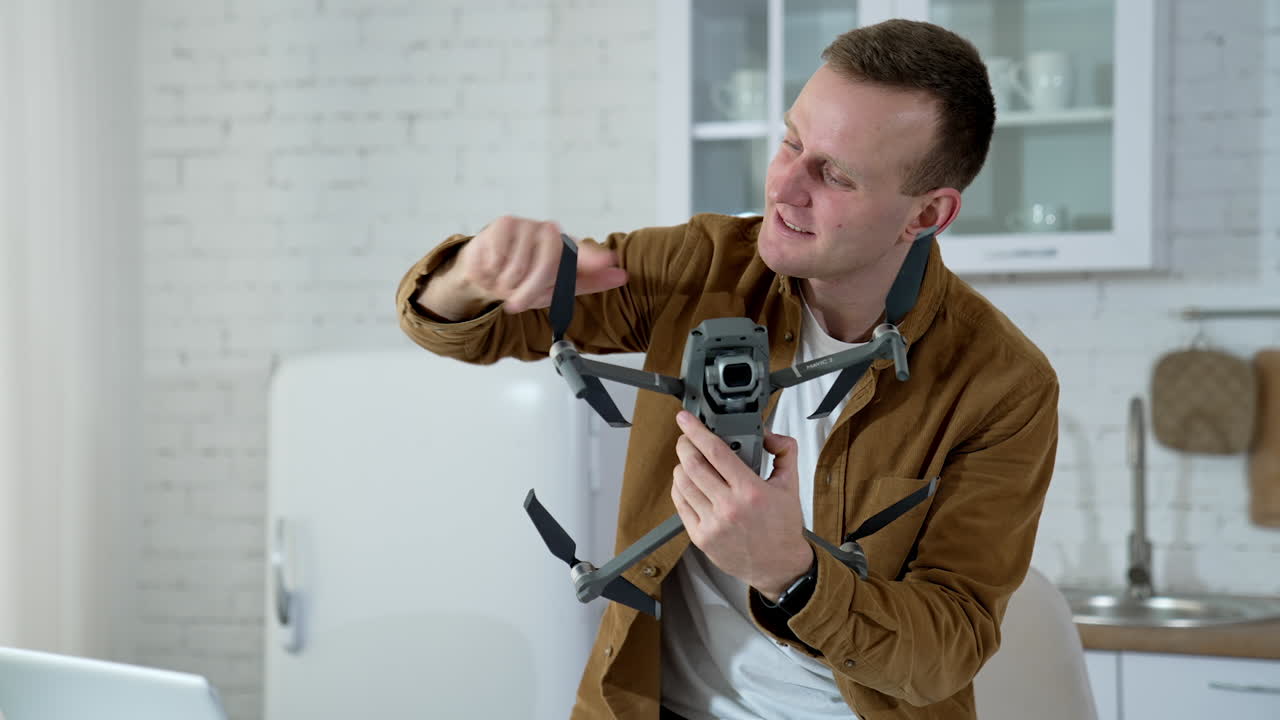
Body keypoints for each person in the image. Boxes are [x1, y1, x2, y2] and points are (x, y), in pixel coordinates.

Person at [397, 19, 1058, 720]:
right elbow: (465, 329)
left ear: (925, 214)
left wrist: (790, 573)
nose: (785, 188)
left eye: (834, 174)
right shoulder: (705, 266)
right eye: (792, 143)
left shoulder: (1002, 385)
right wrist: (476, 271)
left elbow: (949, 648)